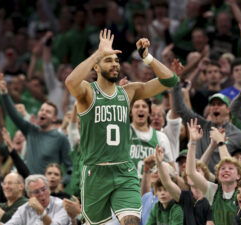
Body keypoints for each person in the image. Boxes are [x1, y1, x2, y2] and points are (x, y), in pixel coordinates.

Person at [65, 29, 179, 224]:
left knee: (132, 221)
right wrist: (98, 53)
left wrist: (147, 57)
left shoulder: (128, 92)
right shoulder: (88, 93)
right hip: (95, 173)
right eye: (108, 60)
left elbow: (171, 80)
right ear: (97, 67)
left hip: (124, 170)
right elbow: (70, 82)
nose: (115, 64)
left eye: (116, 61)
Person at [0, 73, 72, 180]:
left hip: (49, 189)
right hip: (29, 186)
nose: (43, 113)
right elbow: (13, 114)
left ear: (54, 118)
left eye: (48, 112)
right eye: (42, 110)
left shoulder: (61, 138)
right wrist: (4, 93)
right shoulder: (30, 130)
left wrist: (62, 184)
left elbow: (70, 167)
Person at [186, 118, 241, 225]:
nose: (226, 170)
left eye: (230, 169)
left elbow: (228, 161)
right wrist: (193, 142)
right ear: (217, 175)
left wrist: (221, 142)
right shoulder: (213, 191)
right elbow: (190, 172)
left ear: (238, 176)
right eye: (222, 169)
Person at [155, 145, 213, 225]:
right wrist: (159, 163)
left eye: (197, 171)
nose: (192, 175)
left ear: (205, 176)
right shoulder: (184, 196)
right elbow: (167, 182)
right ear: (186, 178)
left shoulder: (212, 197)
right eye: (189, 174)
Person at [0, 175, 69, 225]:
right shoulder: (24, 208)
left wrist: (42, 213)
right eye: (36, 192)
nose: (41, 193)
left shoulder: (60, 205)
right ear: (30, 196)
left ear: (49, 190)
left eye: (44, 189)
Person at [129, 99, 172, 179]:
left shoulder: (161, 137)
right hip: (128, 186)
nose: (140, 109)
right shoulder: (124, 133)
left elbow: (171, 167)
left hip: (152, 188)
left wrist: (160, 172)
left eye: (144, 106)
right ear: (131, 112)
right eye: (136, 106)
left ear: (149, 112)